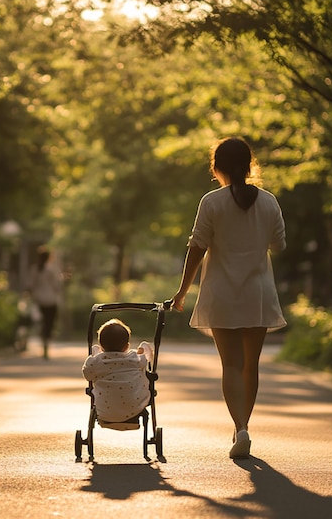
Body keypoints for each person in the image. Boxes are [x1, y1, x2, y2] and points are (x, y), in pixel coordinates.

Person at [170, 137, 286, 459]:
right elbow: (279, 245)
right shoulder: (270, 202)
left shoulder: (211, 202)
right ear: (250, 165)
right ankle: (244, 426)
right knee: (251, 365)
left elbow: (196, 249)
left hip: (222, 294)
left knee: (231, 364)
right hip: (258, 293)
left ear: (217, 168)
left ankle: (241, 428)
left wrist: (182, 292)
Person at [82, 318, 153, 425]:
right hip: (134, 409)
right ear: (127, 346)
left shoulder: (97, 362)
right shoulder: (134, 359)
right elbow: (147, 357)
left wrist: (94, 355)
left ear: (101, 346)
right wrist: (142, 349)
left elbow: (87, 374)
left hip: (105, 411)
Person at [27, 247, 61, 359]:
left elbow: (31, 285)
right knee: (49, 324)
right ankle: (46, 345)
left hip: (39, 300)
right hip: (51, 300)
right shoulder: (51, 269)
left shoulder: (34, 269)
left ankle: (43, 343)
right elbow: (56, 286)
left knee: (42, 323)